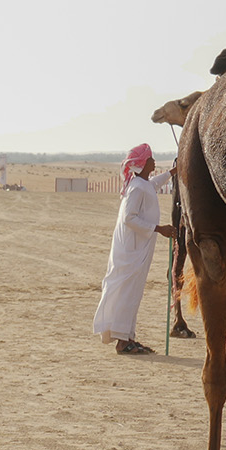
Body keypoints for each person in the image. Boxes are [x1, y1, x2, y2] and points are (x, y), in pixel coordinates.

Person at [91, 143, 172, 357]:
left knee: (134, 292)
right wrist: (158, 229)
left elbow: (153, 184)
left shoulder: (142, 183)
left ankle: (128, 337)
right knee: (127, 291)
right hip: (131, 249)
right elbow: (129, 218)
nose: (154, 161)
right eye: (151, 159)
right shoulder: (136, 187)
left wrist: (173, 172)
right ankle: (122, 341)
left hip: (139, 247)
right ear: (142, 163)